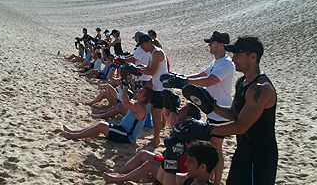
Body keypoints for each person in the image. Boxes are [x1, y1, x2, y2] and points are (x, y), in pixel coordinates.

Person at [176, 36, 278, 185]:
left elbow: (241, 127)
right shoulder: (242, 82)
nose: (233, 58)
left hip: (260, 156)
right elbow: (233, 114)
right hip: (243, 151)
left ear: (253, 57)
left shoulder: (261, 90)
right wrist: (211, 105)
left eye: (238, 54)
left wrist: (206, 129)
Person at [162, 31, 234, 185]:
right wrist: (181, 78)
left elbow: (209, 81)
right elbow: (202, 74)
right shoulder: (216, 62)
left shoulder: (227, 63)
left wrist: (184, 82)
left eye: (212, 42)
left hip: (221, 113)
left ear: (221, 45)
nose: (209, 45)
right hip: (213, 110)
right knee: (213, 147)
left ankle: (216, 182)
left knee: (217, 148)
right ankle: (213, 179)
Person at [101, 102, 202, 184]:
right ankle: (118, 172)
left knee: (150, 164)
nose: (178, 112)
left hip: (176, 171)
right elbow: (167, 115)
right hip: (169, 163)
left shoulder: (188, 135)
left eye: (181, 111)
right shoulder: (181, 128)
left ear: (188, 118)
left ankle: (119, 179)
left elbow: (171, 121)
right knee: (143, 154)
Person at [62, 85, 153, 143]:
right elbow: (129, 101)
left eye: (141, 92)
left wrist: (125, 88)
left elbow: (126, 103)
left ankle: (74, 136)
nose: (139, 91)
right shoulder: (138, 103)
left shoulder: (141, 108)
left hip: (127, 135)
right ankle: (74, 132)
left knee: (101, 125)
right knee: (100, 124)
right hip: (122, 130)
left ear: (144, 97)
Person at [123, 34, 169, 146]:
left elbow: (151, 71)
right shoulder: (152, 53)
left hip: (161, 88)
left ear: (149, 41)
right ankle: (156, 137)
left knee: (157, 113)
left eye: (143, 44)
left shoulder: (157, 53)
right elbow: (148, 69)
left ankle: (156, 139)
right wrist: (136, 69)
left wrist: (137, 70)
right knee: (154, 111)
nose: (142, 47)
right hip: (156, 86)